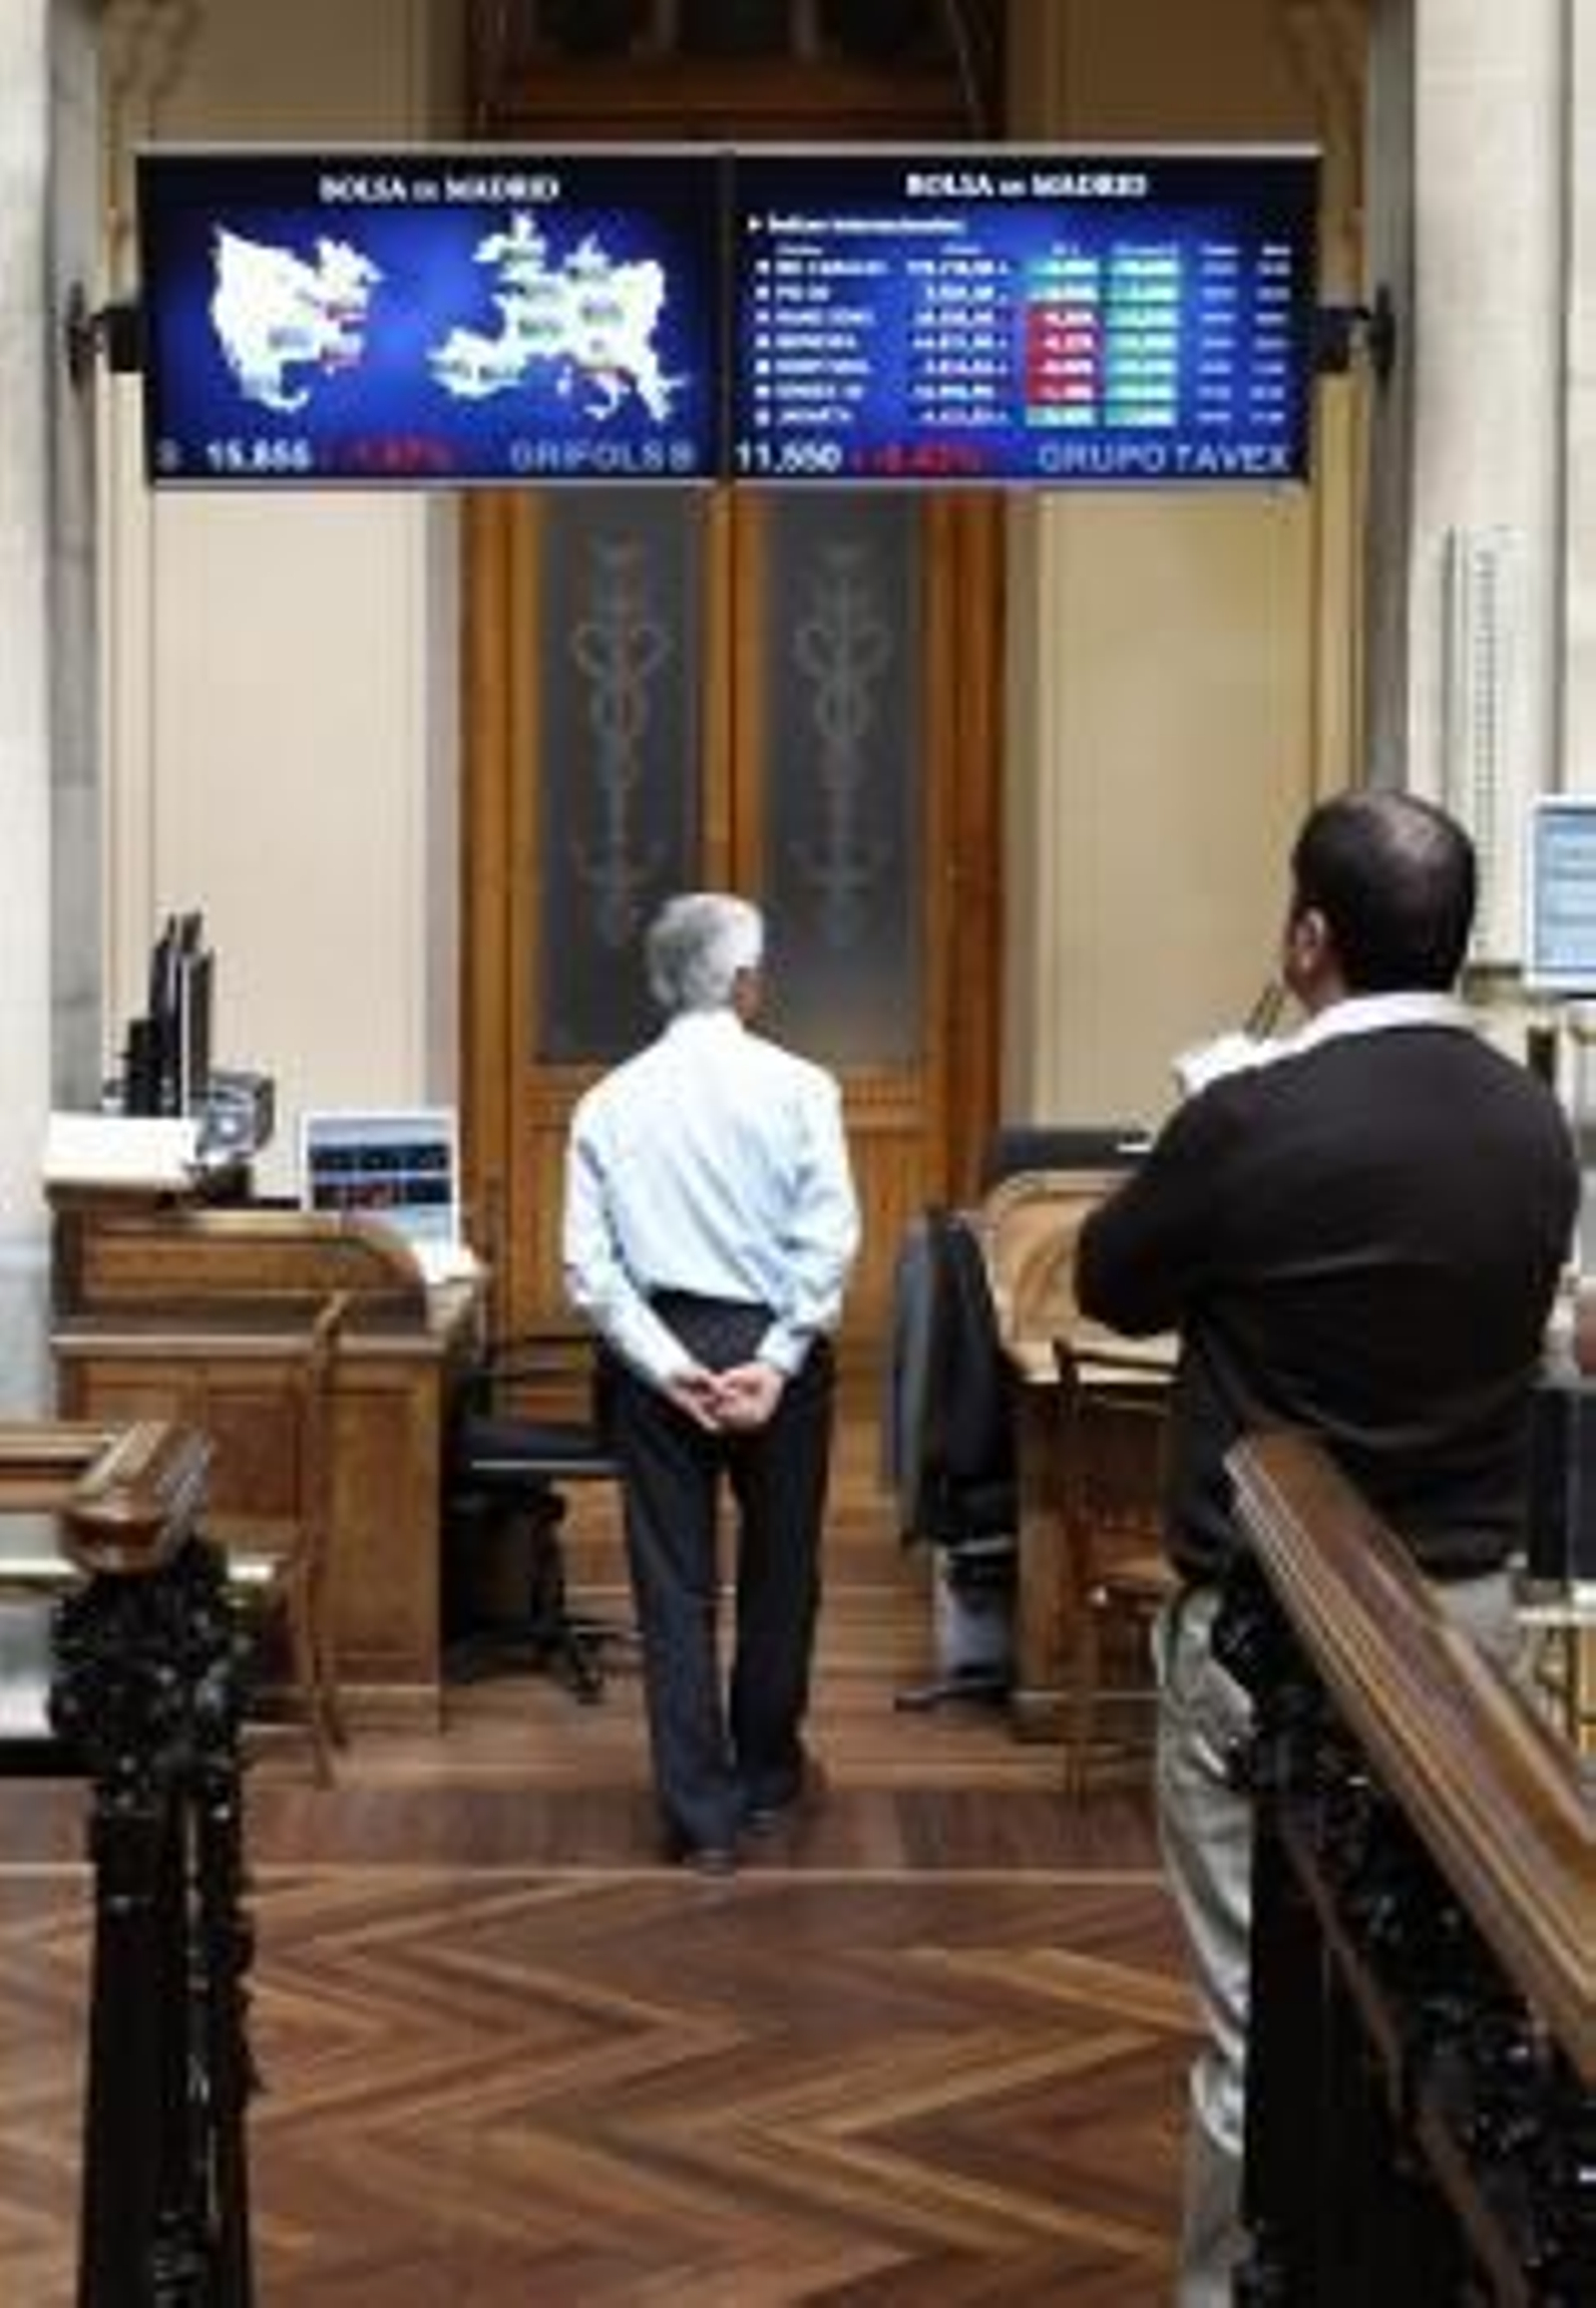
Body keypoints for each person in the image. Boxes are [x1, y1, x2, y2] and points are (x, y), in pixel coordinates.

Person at [1072, 791, 1579, 2306]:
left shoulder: (1252, 1114)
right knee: (1435, 2000)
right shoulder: (1528, 1119)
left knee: (1256, 2013)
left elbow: (1111, 1279)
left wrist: (1211, 1107)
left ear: (1308, 937)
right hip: (1464, 1631)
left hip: (1274, 1625)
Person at [563, 892, 860, 1877]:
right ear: (742, 983)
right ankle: (767, 1774)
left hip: (661, 1354)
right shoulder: (802, 1087)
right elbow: (829, 1238)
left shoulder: (606, 1102)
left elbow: (588, 1271)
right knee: (782, 1573)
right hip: (775, 1346)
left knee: (672, 1587)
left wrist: (665, 1365)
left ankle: (701, 1820)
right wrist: (774, 1362)